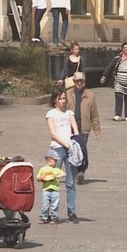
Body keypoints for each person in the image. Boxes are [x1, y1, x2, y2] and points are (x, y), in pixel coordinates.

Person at [45, 90, 80, 223]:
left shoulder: (69, 113)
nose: (63, 101)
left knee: (70, 182)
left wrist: (75, 142)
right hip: (57, 148)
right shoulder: (51, 114)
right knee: (52, 180)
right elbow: (53, 134)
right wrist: (65, 143)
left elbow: (75, 130)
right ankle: (50, 212)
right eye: (61, 99)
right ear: (55, 100)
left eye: (65, 98)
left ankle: (72, 212)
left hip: (70, 148)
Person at [64, 71, 100, 184]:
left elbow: (94, 113)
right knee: (71, 151)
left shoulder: (90, 95)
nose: (79, 83)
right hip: (70, 127)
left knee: (82, 150)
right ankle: (73, 172)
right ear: (74, 82)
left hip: (84, 127)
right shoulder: (67, 94)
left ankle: (81, 172)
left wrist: (97, 129)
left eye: (81, 81)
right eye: (77, 81)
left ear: (84, 82)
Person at [100, 42, 127, 122]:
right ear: (122, 49)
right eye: (124, 48)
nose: (126, 49)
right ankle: (118, 115)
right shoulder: (117, 58)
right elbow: (110, 67)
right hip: (119, 81)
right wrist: (104, 76)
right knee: (118, 97)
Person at [37, 150, 66, 224]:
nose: (56, 162)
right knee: (45, 205)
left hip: (55, 190)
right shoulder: (43, 169)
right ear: (49, 160)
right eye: (55, 160)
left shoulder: (56, 169)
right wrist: (41, 178)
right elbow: (38, 178)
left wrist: (57, 176)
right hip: (46, 189)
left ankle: (54, 217)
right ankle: (44, 217)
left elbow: (64, 174)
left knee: (55, 205)